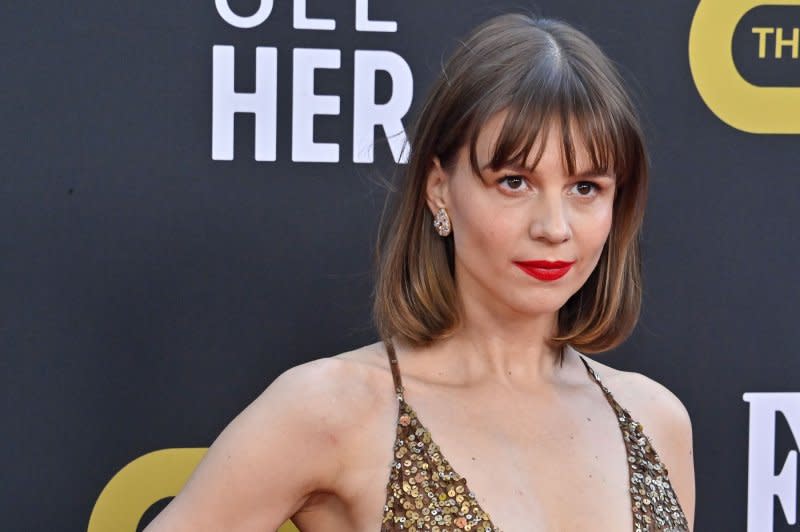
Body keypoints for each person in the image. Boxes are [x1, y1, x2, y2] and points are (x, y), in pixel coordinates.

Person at [145, 13, 695, 532]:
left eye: (585, 188)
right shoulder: (333, 410)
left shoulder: (655, 419)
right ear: (440, 190)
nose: (554, 226)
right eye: (514, 182)